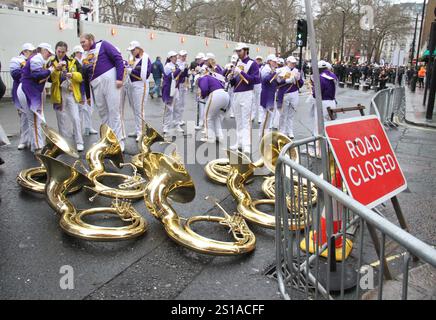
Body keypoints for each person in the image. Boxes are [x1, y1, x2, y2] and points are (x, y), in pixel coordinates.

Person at [80, 33, 125, 151]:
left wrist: (119, 78)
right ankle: (107, 140)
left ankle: (118, 143)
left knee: (114, 112)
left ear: (91, 40)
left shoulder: (103, 45)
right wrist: (88, 96)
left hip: (110, 81)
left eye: (83, 42)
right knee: (103, 114)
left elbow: (118, 58)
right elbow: (85, 77)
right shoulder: (84, 56)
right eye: (81, 43)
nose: (82, 45)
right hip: (96, 85)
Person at [47, 41, 84, 151]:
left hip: (71, 92)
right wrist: (56, 70)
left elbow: (81, 76)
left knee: (76, 118)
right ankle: (64, 143)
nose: (61, 54)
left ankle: (79, 141)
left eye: (63, 52)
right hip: (58, 93)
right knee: (61, 118)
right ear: (55, 50)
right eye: (59, 51)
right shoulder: (51, 62)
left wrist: (72, 75)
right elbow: (49, 79)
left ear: (66, 51)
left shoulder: (73, 61)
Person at [19, 43, 55, 152]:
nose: (49, 55)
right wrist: (50, 70)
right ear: (43, 50)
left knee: (33, 120)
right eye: (48, 52)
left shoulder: (37, 58)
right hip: (28, 90)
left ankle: (37, 144)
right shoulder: (37, 58)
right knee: (35, 120)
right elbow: (37, 75)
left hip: (27, 89)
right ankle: (38, 147)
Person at [229, 42, 260, 154]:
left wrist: (241, 72)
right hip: (236, 93)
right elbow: (234, 82)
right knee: (238, 120)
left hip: (247, 93)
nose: (238, 53)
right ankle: (239, 142)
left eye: (240, 51)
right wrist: (231, 77)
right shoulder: (237, 63)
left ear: (245, 50)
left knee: (246, 120)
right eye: (237, 51)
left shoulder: (253, 64)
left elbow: (255, 80)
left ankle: (247, 144)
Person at [125, 40, 152, 142]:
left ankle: (141, 132)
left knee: (139, 109)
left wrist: (132, 70)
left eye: (133, 50)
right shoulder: (132, 58)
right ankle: (138, 130)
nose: (131, 52)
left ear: (138, 49)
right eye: (131, 50)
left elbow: (146, 74)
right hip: (132, 84)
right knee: (135, 109)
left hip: (141, 84)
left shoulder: (145, 58)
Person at [10, 43, 35, 150]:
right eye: (30, 51)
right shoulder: (16, 60)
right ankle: (24, 140)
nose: (32, 53)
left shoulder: (34, 60)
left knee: (33, 116)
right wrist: (28, 70)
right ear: (25, 51)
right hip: (20, 90)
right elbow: (15, 74)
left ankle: (33, 139)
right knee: (24, 117)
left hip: (32, 91)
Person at [197, 69, 229, 143]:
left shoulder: (202, 78)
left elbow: (204, 89)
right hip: (225, 95)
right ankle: (219, 136)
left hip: (216, 94)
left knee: (207, 116)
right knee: (216, 117)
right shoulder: (213, 78)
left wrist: (202, 96)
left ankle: (210, 137)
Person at [72, 45, 98, 136]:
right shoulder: (73, 62)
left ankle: (88, 127)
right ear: (75, 53)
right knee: (79, 110)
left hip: (86, 87)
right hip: (78, 89)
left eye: (81, 53)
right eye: (78, 52)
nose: (80, 54)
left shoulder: (84, 61)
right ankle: (77, 130)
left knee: (89, 108)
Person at [276, 56, 303, 139]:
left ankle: (289, 131)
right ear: (287, 62)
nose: (293, 64)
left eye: (294, 63)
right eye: (292, 63)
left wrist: (298, 79)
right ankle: (282, 131)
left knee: (291, 114)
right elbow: (277, 82)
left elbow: (300, 85)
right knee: (283, 114)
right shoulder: (280, 70)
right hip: (284, 93)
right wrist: (287, 81)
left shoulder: (296, 71)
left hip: (294, 93)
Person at [311, 60, 338, 137]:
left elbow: (316, 94)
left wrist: (313, 85)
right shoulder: (333, 76)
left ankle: (318, 145)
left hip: (323, 103)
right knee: (329, 124)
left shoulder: (320, 78)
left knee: (319, 124)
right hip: (332, 102)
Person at [161, 51, 182, 137]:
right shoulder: (167, 66)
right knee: (169, 108)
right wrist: (180, 69)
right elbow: (171, 76)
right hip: (169, 89)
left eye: (176, 56)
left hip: (176, 88)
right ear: (170, 58)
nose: (176, 58)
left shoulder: (176, 65)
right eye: (174, 56)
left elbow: (181, 76)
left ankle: (176, 124)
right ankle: (165, 126)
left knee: (177, 107)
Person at [259, 54, 278, 138]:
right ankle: (262, 136)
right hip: (267, 95)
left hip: (270, 94)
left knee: (269, 117)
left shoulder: (271, 69)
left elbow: (274, 82)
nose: (275, 63)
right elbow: (266, 80)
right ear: (269, 61)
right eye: (274, 61)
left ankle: (265, 134)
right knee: (266, 116)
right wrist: (274, 74)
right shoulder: (266, 69)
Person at [173, 50, 189, 131]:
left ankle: (180, 119)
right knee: (177, 103)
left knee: (182, 103)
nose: (184, 57)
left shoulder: (185, 63)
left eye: (185, 56)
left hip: (183, 84)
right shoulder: (177, 64)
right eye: (183, 56)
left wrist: (186, 84)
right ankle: (176, 120)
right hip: (177, 84)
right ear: (179, 56)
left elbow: (186, 75)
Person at [251, 55, 263, 123]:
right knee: (253, 101)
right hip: (253, 84)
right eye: (257, 59)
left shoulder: (262, 67)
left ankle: (260, 118)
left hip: (259, 84)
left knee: (259, 101)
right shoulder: (252, 67)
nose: (258, 61)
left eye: (260, 60)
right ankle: (252, 116)